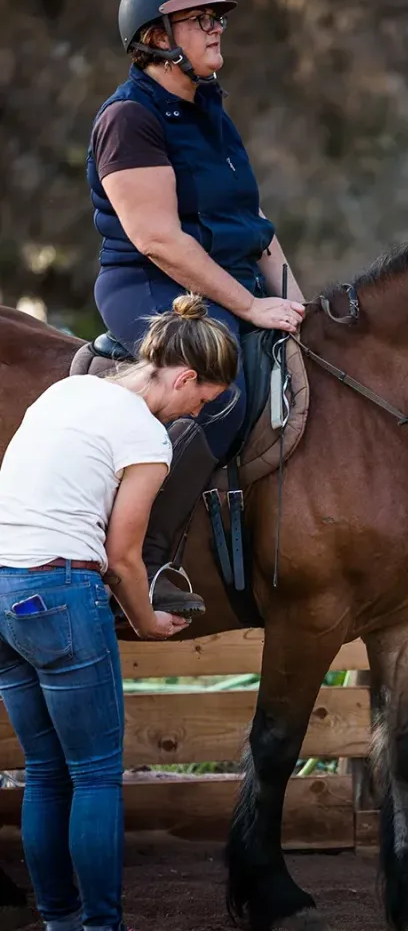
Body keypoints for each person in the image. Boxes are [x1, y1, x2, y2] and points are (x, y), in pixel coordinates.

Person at [0, 294, 238, 931]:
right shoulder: (145, 435)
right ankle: (102, 927)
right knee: (97, 775)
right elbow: (124, 556)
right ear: (184, 377)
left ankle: (59, 920)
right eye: (204, 398)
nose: (198, 411)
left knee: (45, 773)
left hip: (2, 590)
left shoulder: (62, 394)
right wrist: (147, 619)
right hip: (59, 593)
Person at [87, 0, 306, 617]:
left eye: (219, 18)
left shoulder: (211, 110)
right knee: (220, 392)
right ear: (157, 35)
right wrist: (249, 307)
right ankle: (145, 561)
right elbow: (159, 240)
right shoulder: (128, 119)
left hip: (229, 284)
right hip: (151, 288)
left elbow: (257, 229)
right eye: (202, 18)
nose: (217, 29)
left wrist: (297, 305)